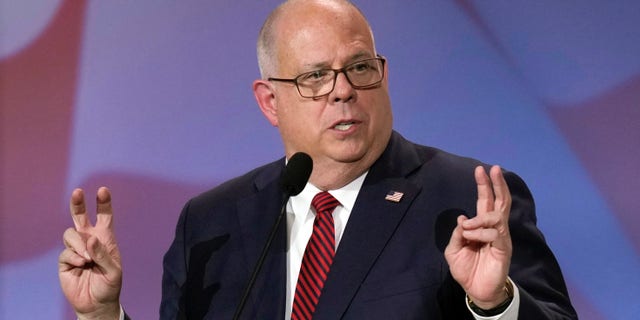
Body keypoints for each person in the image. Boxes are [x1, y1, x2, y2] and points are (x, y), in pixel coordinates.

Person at [58, 0, 578, 319]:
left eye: (358, 67)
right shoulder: (212, 222)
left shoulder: (465, 198)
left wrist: (496, 305)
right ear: (269, 101)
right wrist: (103, 315)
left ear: (383, 75)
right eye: (314, 77)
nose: (343, 91)